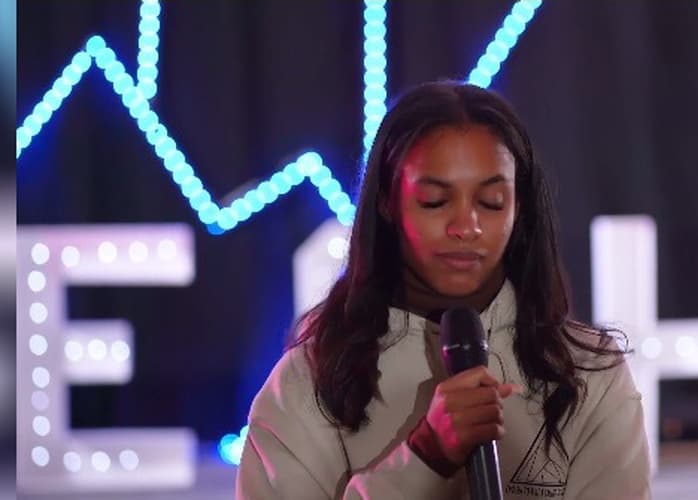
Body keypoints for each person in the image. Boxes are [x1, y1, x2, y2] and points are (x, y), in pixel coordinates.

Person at [236, 80, 651, 499]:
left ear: (519, 206)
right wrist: (424, 457)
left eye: (491, 202)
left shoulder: (586, 376)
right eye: (435, 201)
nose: (466, 227)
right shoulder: (310, 381)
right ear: (387, 201)